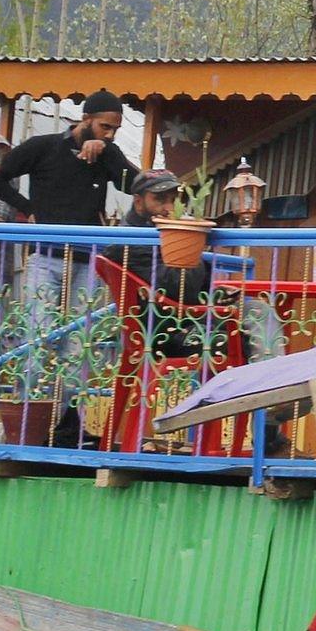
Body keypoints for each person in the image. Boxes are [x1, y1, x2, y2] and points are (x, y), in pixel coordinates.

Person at [0, 90, 139, 446]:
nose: (109, 133)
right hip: (45, 256)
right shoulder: (44, 147)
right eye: (104, 127)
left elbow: (136, 184)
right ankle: (26, 423)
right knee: (38, 339)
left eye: (115, 129)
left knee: (79, 347)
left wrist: (109, 153)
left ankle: (65, 423)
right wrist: (27, 209)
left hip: (87, 260)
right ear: (85, 119)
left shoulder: (107, 156)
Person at [113, 171, 289, 452]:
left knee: (260, 310)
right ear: (138, 201)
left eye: (173, 198)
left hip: (189, 315)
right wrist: (189, 245)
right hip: (166, 331)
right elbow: (176, 290)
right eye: (160, 199)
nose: (169, 206)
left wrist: (218, 295)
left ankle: (274, 395)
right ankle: (271, 403)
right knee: (252, 329)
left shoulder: (164, 230)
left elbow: (187, 290)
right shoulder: (130, 240)